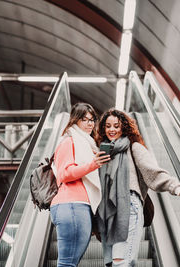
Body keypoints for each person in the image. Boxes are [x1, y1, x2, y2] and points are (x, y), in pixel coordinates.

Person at [95, 108, 180, 267]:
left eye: (116, 125)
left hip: (128, 206)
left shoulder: (133, 148)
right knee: (114, 263)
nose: (112, 130)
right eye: (108, 126)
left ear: (124, 127)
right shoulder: (101, 152)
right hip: (108, 213)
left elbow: (154, 173)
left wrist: (178, 189)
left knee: (122, 262)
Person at [50, 103, 110, 267]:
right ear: (75, 121)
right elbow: (65, 174)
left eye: (92, 120)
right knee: (67, 263)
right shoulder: (69, 142)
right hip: (72, 205)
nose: (90, 124)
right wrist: (93, 164)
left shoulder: (88, 144)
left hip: (78, 207)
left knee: (70, 263)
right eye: (84, 119)